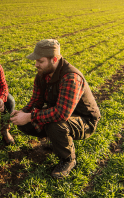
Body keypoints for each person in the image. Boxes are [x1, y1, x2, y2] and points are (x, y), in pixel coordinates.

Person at [10, 39, 101, 178]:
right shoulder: (42, 75)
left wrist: (30, 116)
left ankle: (68, 160)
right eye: (36, 61)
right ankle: (56, 140)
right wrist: (22, 113)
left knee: (55, 125)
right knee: (25, 124)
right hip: (62, 114)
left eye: (40, 61)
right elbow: (36, 101)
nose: (36, 65)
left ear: (54, 59)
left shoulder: (71, 77)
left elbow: (61, 114)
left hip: (85, 120)